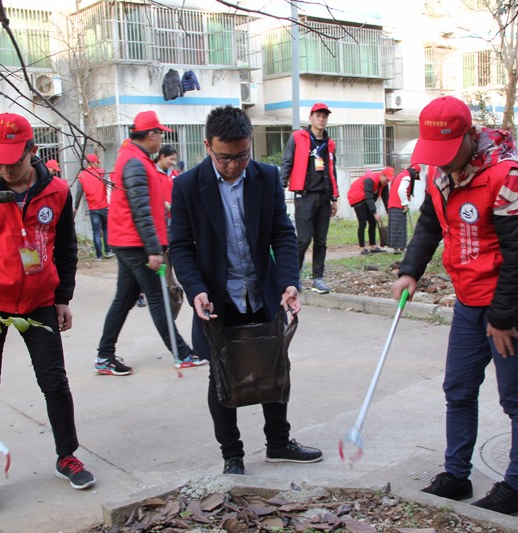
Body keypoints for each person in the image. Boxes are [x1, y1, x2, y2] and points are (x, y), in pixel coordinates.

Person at [392, 96, 518, 516]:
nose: (441, 162)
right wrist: (410, 270)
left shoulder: (506, 177)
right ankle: (457, 475)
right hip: (468, 302)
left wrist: (502, 317)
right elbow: (429, 223)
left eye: (448, 151)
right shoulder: (441, 174)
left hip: (509, 305)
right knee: (458, 389)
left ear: (469, 136)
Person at [0, 112, 95, 512]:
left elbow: (65, 249)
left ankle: (67, 457)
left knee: (55, 382)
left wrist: (63, 297)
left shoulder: (57, 190)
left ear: (33, 151)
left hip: (39, 303)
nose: (4, 167)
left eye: (13, 158)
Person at [169, 105, 323, 475]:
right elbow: (180, 246)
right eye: (225, 158)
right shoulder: (188, 186)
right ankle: (232, 455)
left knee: (273, 366)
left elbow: (282, 234)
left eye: (242, 156)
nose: (234, 166)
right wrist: (196, 290)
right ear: (208, 146)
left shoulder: (267, 177)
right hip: (217, 298)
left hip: (260, 291)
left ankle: (279, 442)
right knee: (221, 375)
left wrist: (289, 281)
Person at [94, 110, 206, 376]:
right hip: (135, 245)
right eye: (159, 134)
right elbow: (140, 209)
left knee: (124, 299)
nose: (161, 140)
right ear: (151, 135)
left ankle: (104, 356)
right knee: (158, 298)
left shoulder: (137, 159)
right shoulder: (134, 162)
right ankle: (182, 354)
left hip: (129, 241)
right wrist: (153, 249)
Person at [281, 102, 339, 294]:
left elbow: (332, 169)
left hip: (324, 196)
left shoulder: (329, 143)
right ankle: (293, 276)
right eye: (318, 116)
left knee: (321, 240)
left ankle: (318, 278)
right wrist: (280, 187)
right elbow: (287, 161)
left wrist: (335, 197)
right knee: (303, 239)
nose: (321, 119)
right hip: (304, 195)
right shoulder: (298, 137)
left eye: (325, 116)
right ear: (311, 117)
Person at [74, 153, 113, 260]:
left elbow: (78, 194)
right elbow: (109, 187)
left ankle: (99, 255)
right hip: (105, 206)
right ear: (94, 162)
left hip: (93, 208)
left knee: (96, 231)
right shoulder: (102, 173)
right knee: (106, 229)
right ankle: (108, 251)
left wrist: (76, 207)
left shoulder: (82, 176)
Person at [347, 168, 389, 255]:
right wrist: (374, 212)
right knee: (363, 223)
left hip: (366, 199)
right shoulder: (370, 180)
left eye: (389, 180)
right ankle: (362, 248)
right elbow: (369, 197)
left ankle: (373, 246)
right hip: (357, 198)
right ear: (382, 175)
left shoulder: (384, 185)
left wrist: (390, 212)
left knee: (373, 222)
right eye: (386, 179)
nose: (387, 181)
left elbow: (386, 198)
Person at [386, 164, 419, 253]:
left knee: (395, 226)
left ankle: (396, 247)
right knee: (400, 226)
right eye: (416, 174)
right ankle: (400, 247)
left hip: (392, 204)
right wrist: (405, 203)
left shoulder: (401, 174)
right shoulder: (407, 177)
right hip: (398, 205)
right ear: (415, 172)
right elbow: (401, 190)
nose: (416, 177)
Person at [155, 144, 180, 217]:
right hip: (159, 216)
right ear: (162, 157)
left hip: (173, 215)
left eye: (175, 160)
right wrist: (162, 203)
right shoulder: (152, 172)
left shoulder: (174, 173)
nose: (173, 162)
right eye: (171, 159)